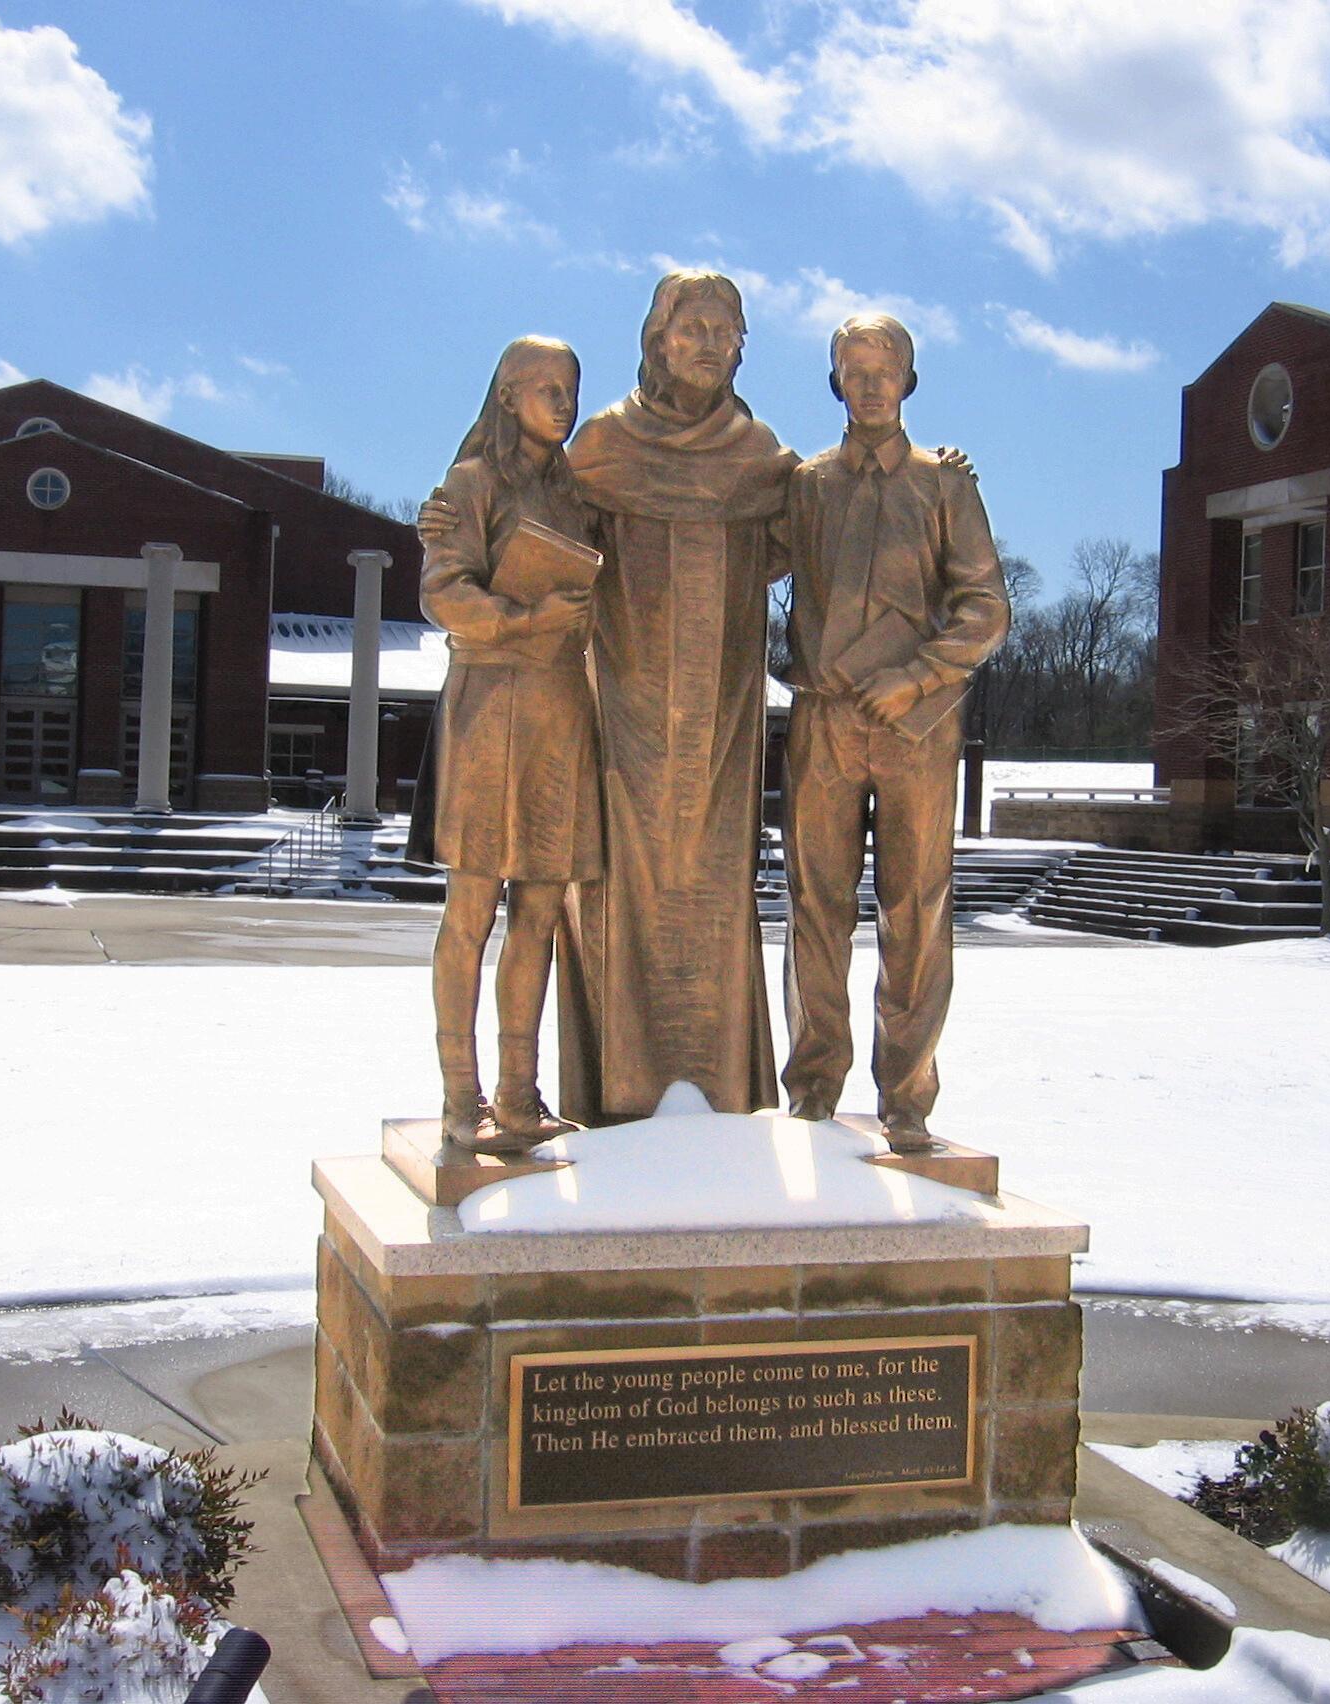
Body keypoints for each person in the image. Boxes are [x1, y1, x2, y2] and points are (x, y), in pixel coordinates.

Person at [553, 270, 799, 1123]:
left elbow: (824, 520)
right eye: (691, 327)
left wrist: (935, 470)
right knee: (619, 878)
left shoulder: (759, 456)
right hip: (622, 708)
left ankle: (718, 1079)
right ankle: (620, 1087)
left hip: (724, 716)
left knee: (715, 881)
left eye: (725, 331)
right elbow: (542, 530)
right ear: (657, 341)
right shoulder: (603, 446)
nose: (708, 343)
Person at [778, 313, 1009, 1152]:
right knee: (816, 907)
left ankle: (907, 1095)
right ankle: (812, 1087)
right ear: (835, 379)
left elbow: (986, 608)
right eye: (855, 369)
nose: (871, 385)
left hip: (917, 726)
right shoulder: (803, 486)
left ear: (908, 379)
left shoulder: (943, 485)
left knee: (916, 909)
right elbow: (725, 550)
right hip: (825, 721)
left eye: (885, 370)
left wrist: (915, 676)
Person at [418, 336, 603, 1151]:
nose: (562, 404)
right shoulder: (470, 484)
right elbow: (442, 592)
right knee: (472, 904)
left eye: (570, 389)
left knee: (541, 906)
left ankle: (518, 1093)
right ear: (506, 396)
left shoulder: (575, 495)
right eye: (545, 388)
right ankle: (461, 1094)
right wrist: (526, 618)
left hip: (560, 708)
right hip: (491, 705)